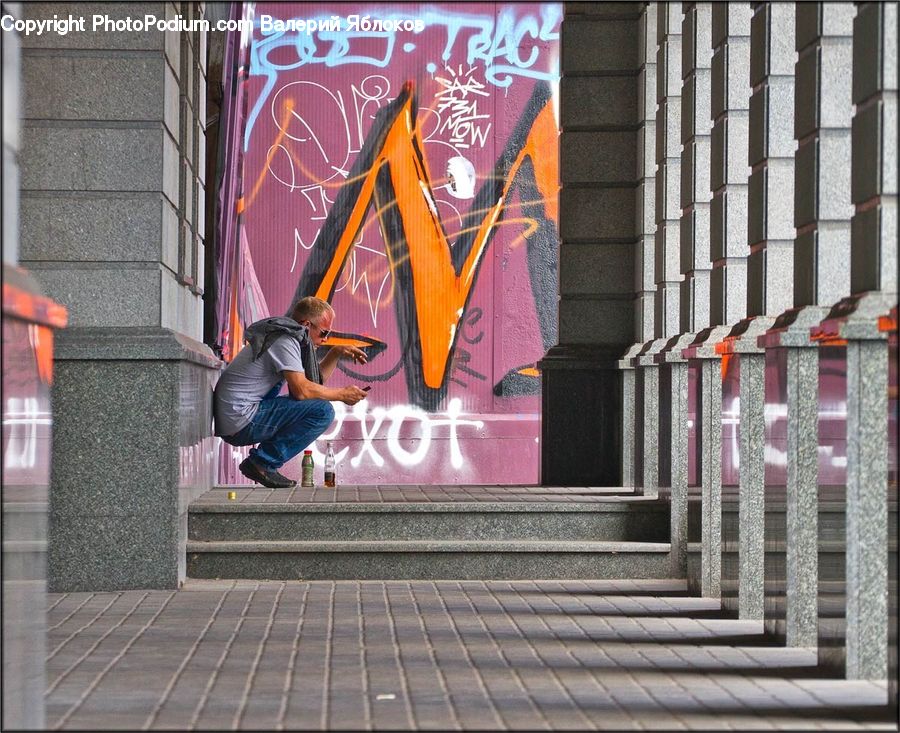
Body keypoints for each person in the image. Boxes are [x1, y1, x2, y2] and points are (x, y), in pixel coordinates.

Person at [214, 296, 369, 488]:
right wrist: (342, 395)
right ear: (306, 324)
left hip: (236, 417)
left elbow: (313, 384)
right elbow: (302, 391)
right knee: (323, 411)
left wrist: (335, 353)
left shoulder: (289, 337)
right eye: (323, 332)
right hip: (239, 419)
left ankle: (262, 462)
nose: (325, 339)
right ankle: (262, 463)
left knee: (315, 403)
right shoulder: (284, 340)